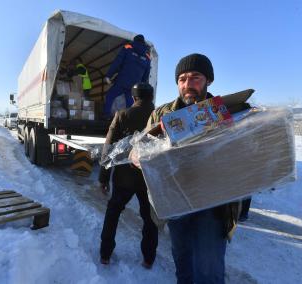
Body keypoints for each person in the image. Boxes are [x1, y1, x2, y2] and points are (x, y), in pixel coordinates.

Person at [144, 53, 243, 283]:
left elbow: (243, 153)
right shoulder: (161, 114)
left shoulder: (227, 111)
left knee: (208, 271)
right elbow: (137, 150)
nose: (187, 85)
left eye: (195, 77)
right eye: (182, 79)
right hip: (176, 201)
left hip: (213, 206)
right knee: (183, 262)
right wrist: (140, 157)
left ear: (208, 80)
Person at [99, 82, 158, 269]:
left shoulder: (122, 115)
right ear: (152, 97)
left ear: (133, 98)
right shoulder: (161, 117)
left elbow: (108, 150)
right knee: (150, 219)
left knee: (113, 212)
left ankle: (105, 254)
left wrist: (103, 177)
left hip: (124, 178)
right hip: (150, 179)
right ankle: (148, 258)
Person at [103, 34, 151, 119]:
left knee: (110, 95)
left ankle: (106, 115)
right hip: (135, 85)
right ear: (143, 43)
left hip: (122, 80)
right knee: (130, 102)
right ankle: (129, 120)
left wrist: (108, 75)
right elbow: (146, 75)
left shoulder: (128, 47)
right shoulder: (147, 56)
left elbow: (117, 62)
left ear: (134, 40)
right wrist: (141, 87)